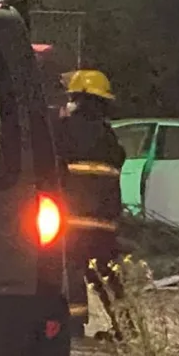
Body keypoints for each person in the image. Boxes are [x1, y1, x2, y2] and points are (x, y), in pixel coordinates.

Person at [58, 69, 128, 340]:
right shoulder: (109, 137)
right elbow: (118, 160)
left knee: (72, 268)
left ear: (78, 98)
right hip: (105, 221)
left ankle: (75, 328)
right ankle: (127, 326)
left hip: (71, 217)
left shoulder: (63, 130)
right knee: (107, 273)